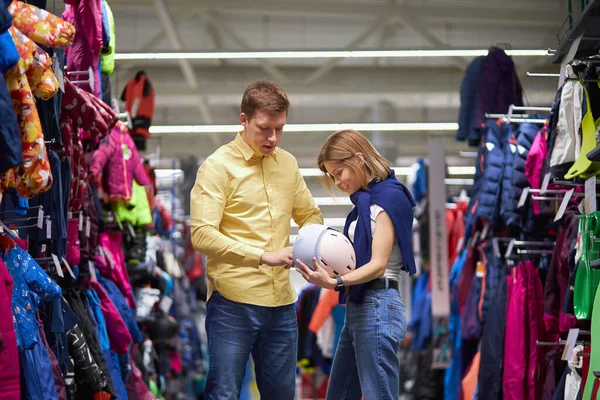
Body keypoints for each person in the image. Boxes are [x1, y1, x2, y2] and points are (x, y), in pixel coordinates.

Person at [190, 80, 323, 399]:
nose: (272, 138)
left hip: (281, 302)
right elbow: (202, 234)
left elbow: (311, 215)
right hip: (232, 301)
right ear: (244, 120)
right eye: (264, 128)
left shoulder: (288, 164)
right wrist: (263, 256)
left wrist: (308, 246)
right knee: (224, 394)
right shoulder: (217, 167)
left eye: (279, 129)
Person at [295, 129, 417, 400]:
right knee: (339, 394)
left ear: (359, 158)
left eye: (339, 172)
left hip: (378, 303)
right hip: (360, 306)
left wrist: (335, 282)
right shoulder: (366, 203)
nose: (337, 181)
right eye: (332, 175)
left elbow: (377, 264)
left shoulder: (388, 198)